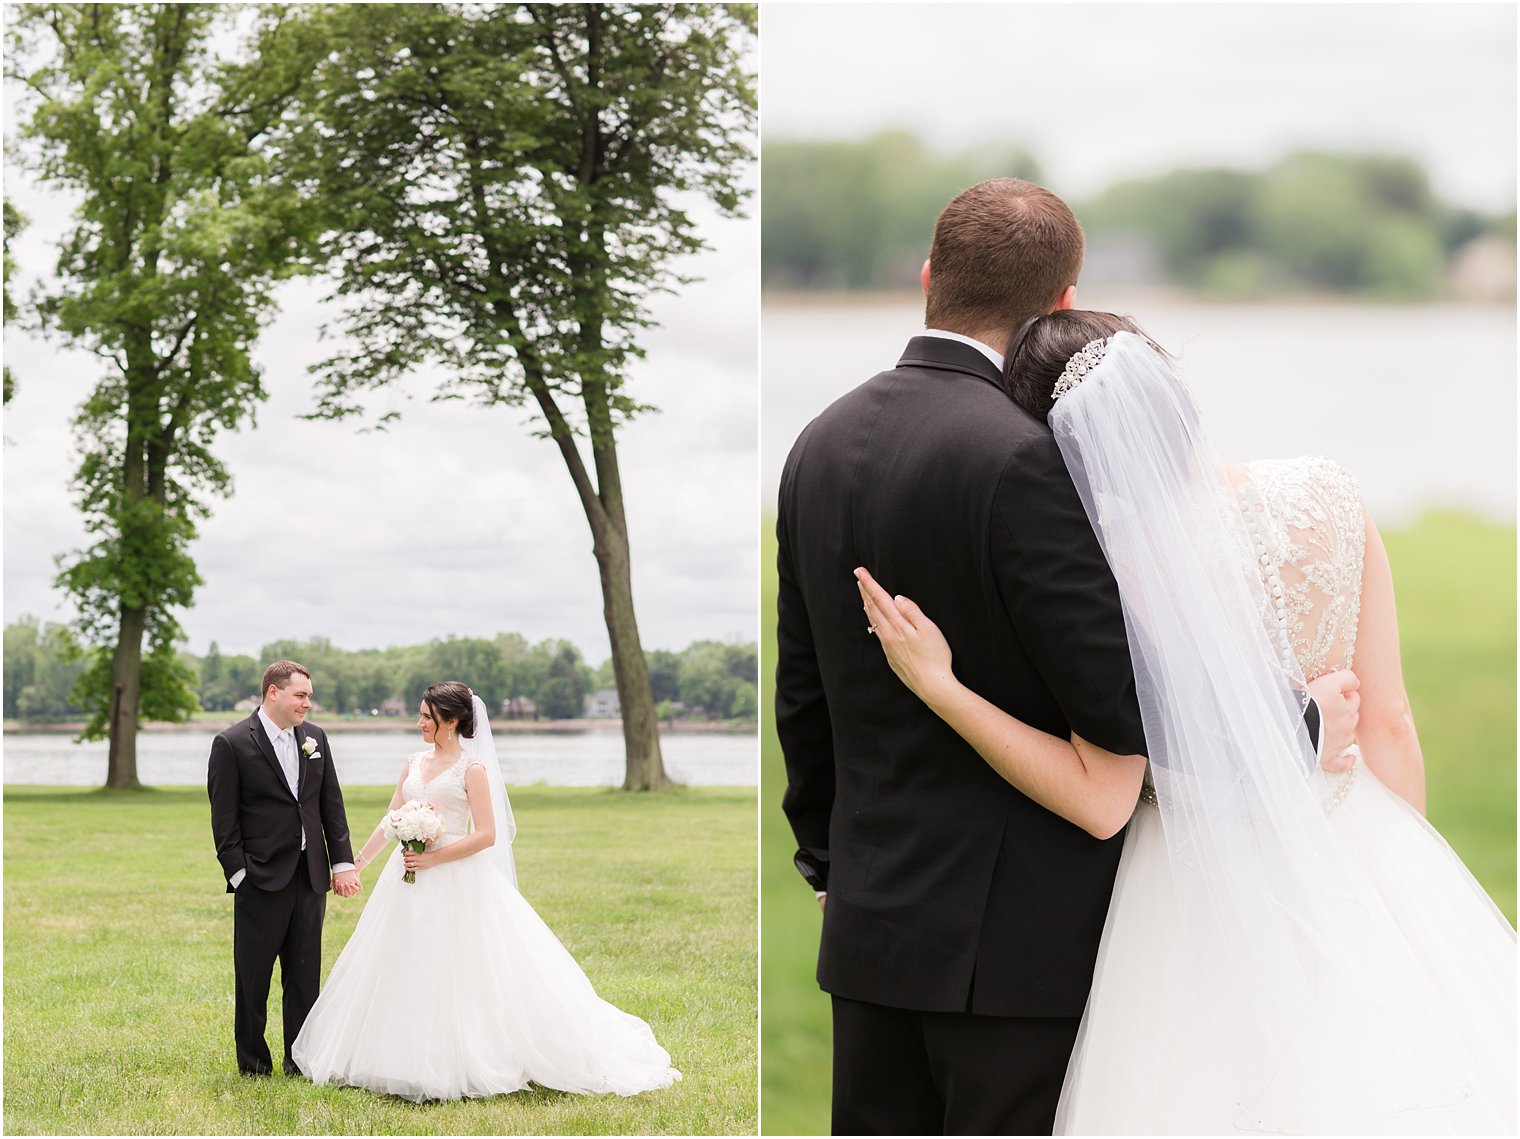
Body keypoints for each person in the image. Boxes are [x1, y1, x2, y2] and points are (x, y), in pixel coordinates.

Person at [774, 178, 1359, 1135]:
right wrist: (1299, 723)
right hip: (1017, 948)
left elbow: (802, 690)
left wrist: (828, 861)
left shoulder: (816, 444)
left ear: (928, 277)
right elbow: (1119, 702)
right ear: (1061, 303)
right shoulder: (1025, 457)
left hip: (872, 930)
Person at [856, 310, 1516, 1133]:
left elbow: (1110, 776)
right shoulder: (1330, 495)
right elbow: (1389, 720)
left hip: (1184, 889)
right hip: (1356, 839)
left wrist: (945, 687)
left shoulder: (1108, 564)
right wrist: (1385, 890)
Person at [290, 681, 680, 1101]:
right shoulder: (413, 763)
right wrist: (354, 865)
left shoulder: (472, 770)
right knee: (404, 960)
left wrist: (435, 859)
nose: (419, 722)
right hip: (407, 879)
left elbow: (488, 835)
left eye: (427, 716)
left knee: (458, 966)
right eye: (420, 714)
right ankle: (396, 1055)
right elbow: (390, 819)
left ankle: (463, 1057)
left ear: (451, 720)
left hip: (456, 878)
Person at [207, 659, 361, 1078]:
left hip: (310, 877)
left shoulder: (315, 738)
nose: (307, 704)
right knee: (253, 980)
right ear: (273, 692)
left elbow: (331, 804)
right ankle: (254, 1065)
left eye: (309, 695)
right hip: (260, 878)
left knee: (304, 975)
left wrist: (342, 862)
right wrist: (240, 874)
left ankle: (301, 1061)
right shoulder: (232, 743)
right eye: (301, 695)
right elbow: (224, 821)